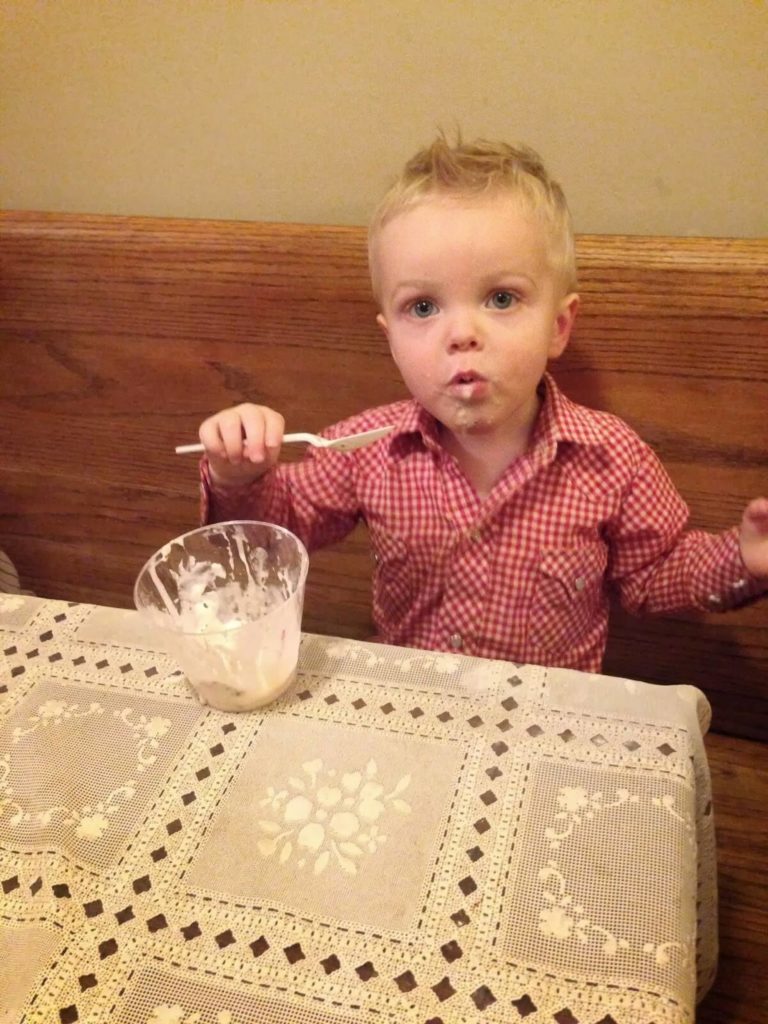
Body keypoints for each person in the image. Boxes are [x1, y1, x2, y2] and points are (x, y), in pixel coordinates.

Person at [195, 134, 768, 672]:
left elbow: (654, 576)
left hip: (545, 727)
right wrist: (239, 475)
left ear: (559, 327)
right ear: (389, 338)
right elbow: (272, 540)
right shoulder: (367, 449)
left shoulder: (612, 460)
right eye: (422, 307)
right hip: (413, 711)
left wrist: (742, 559)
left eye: (501, 298)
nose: (461, 333)